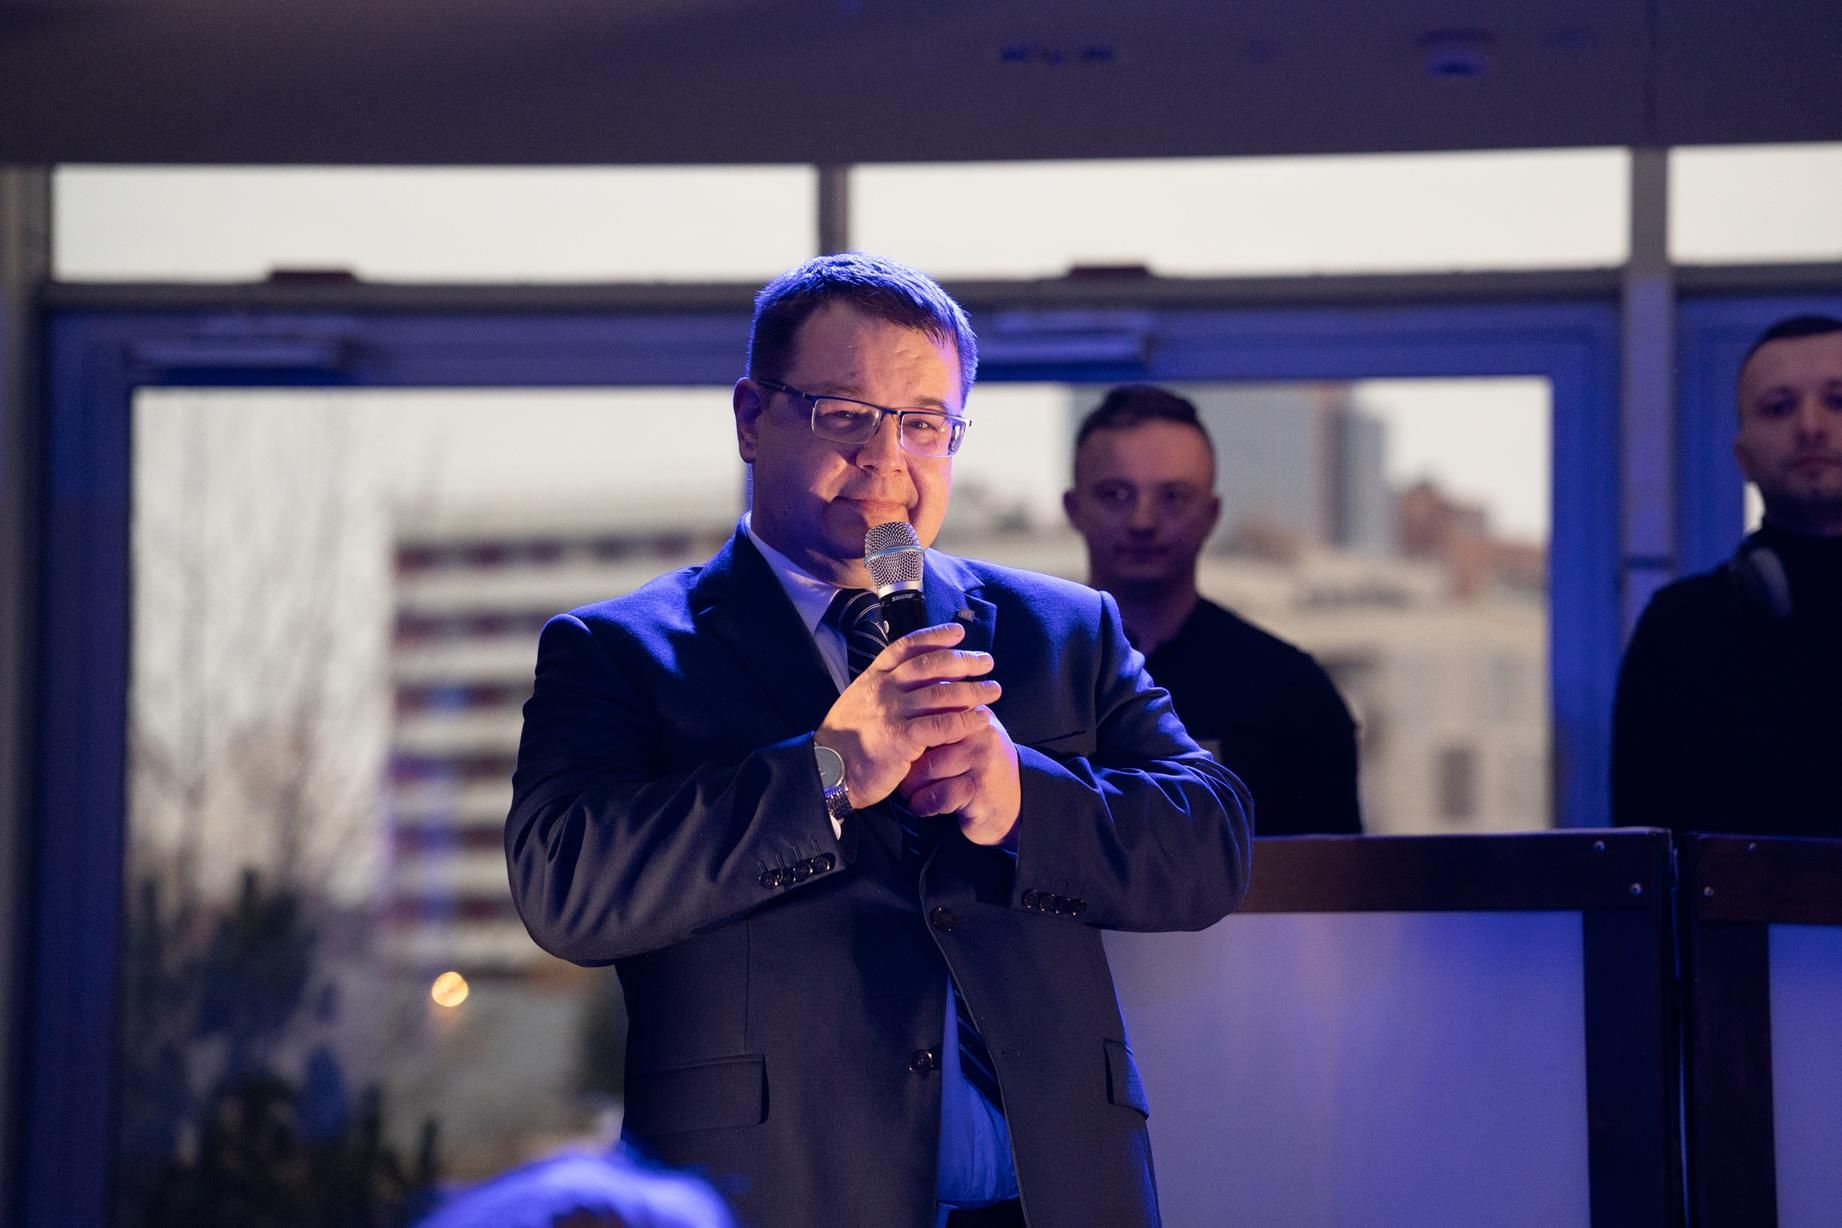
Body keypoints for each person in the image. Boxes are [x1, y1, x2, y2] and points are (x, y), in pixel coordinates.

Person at [504, 255, 1251, 1228]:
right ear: (752, 418)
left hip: (1056, 1199)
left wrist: (1022, 796)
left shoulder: (1064, 632)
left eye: (926, 423)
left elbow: (1212, 843)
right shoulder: (620, 650)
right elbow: (566, 888)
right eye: (846, 415)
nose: (889, 459)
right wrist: (827, 772)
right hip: (779, 1200)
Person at [1062, 385, 1362, 836]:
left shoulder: (1293, 693)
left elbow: (1332, 874)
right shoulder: (1019, 677)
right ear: (1074, 509)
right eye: (1116, 494)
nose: (1143, 521)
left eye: (1174, 496)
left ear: (1211, 514)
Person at [1613, 314, 1842, 838]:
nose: (1811, 426)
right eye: (1779, 407)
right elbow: (1642, 859)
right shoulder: (1677, 631)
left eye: (1839, 400)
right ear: (1743, 456)